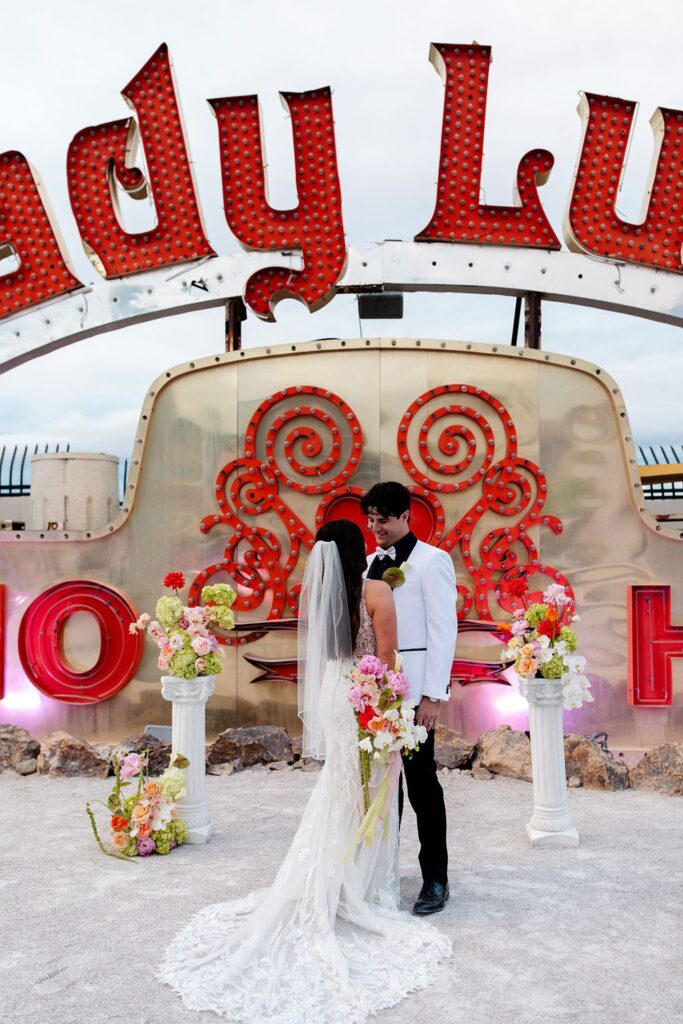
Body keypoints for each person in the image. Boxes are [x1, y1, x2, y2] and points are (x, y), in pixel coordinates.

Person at [159, 519, 451, 1024]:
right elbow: (385, 658)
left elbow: (334, 653)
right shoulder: (377, 589)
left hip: (338, 696)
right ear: (358, 547)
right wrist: (392, 708)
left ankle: (340, 878)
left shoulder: (323, 593)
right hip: (370, 696)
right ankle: (365, 888)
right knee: (374, 790)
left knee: (344, 787)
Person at [361, 482, 457, 915]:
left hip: (416, 691)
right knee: (381, 786)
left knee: (421, 786)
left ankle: (435, 879)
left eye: (383, 518)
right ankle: (381, 875)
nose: (375, 526)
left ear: (406, 517)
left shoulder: (433, 561)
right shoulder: (366, 567)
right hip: (375, 692)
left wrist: (433, 694)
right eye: (371, 519)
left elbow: (443, 630)